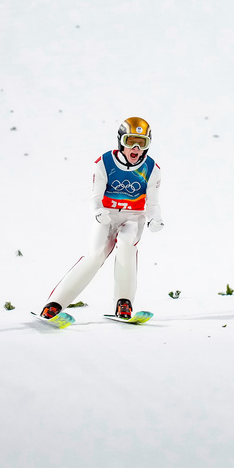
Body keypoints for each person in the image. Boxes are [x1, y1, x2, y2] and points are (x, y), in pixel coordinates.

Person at [41, 117, 164, 320]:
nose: (135, 148)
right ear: (120, 141)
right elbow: (95, 198)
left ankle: (124, 303)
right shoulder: (104, 163)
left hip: (133, 217)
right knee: (95, 255)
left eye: (142, 143)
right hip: (106, 215)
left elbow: (152, 204)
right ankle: (55, 304)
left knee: (126, 244)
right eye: (130, 141)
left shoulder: (152, 169)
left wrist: (155, 218)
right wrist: (98, 211)